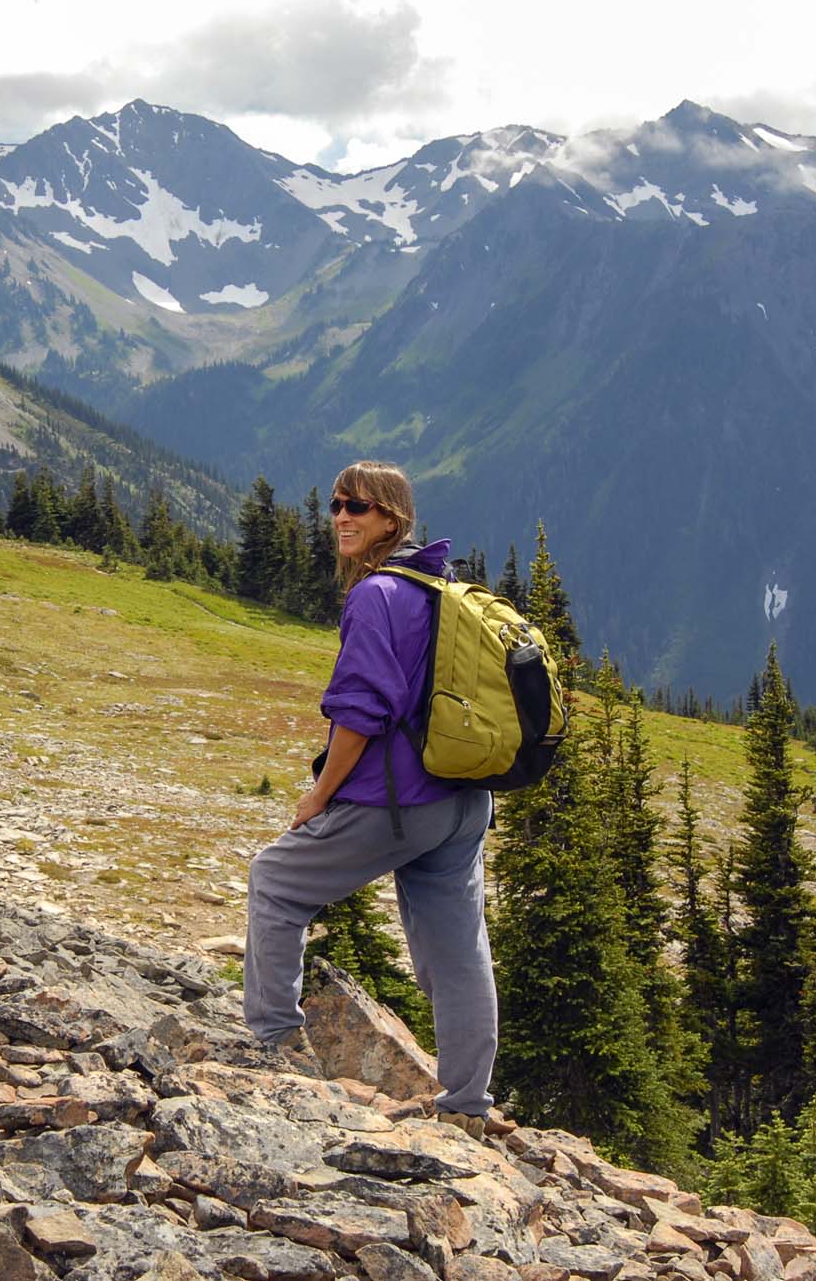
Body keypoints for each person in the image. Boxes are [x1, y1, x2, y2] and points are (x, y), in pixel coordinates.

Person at [242, 459, 499, 1134]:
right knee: (457, 945)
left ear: (392, 516)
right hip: (464, 798)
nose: (342, 517)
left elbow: (358, 712)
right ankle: (467, 1103)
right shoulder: (440, 587)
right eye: (335, 504)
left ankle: (270, 1046)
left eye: (358, 505)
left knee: (274, 880)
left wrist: (319, 794)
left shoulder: (377, 596)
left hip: (400, 800)